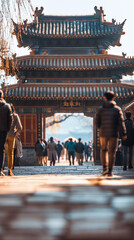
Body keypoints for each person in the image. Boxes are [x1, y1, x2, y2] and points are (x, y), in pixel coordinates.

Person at [96, 91, 127, 176]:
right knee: (112, 152)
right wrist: (123, 133)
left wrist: (101, 128)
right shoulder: (117, 109)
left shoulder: (100, 109)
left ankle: (104, 168)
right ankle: (110, 170)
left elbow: (97, 122)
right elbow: (121, 122)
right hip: (114, 133)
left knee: (104, 150)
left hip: (103, 133)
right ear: (113, 98)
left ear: (104, 98)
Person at [6, 104, 22, 176]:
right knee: (10, 153)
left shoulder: (4, 114)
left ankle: (1, 168)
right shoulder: (15, 116)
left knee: (2, 152)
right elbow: (20, 127)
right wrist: (16, 133)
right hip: (12, 136)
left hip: (3, 135)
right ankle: (9, 170)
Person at [0, 90, 12, 176]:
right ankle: (0, 169)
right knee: (1, 149)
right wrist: (7, 129)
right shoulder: (7, 106)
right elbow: (10, 120)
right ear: (2, 96)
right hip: (3, 130)